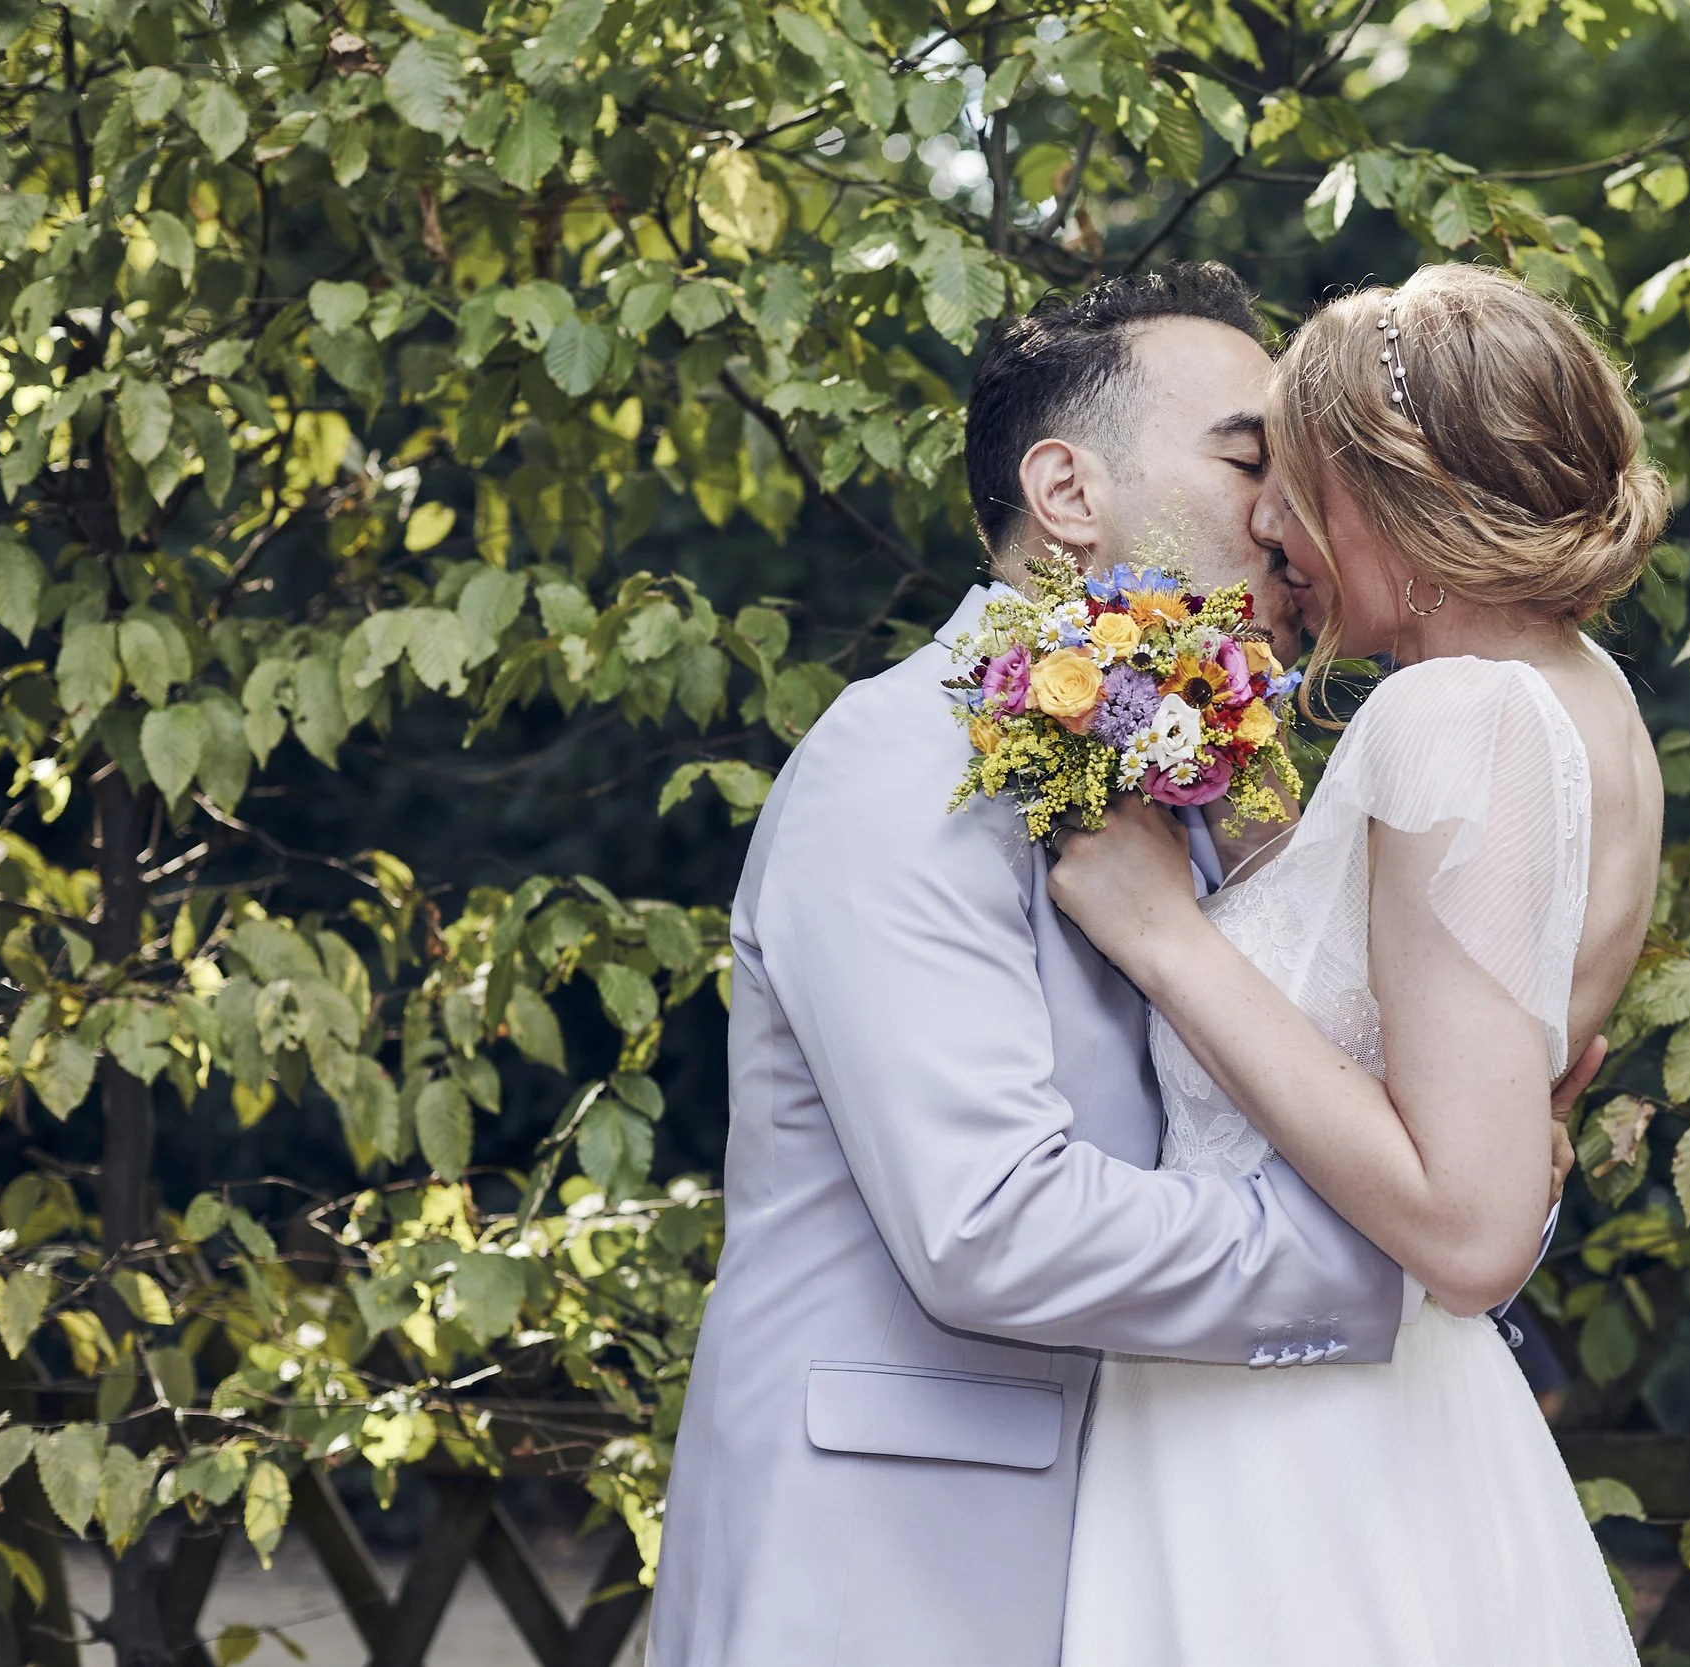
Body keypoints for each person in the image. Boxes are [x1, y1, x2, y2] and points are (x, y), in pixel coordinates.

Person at [647, 262, 1592, 1666]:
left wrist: (1468, 1164)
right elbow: (990, 1223)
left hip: (1161, 1554)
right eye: (1250, 461)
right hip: (895, 1573)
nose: (1284, 516)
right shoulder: (901, 762)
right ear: (1067, 492)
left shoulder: (1201, 791)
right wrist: (1392, 1261)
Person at [1050, 263, 1667, 1665]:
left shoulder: (1455, 717)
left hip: (1299, 1464)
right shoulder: (1589, 700)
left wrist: (1163, 935)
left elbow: (1472, 1231)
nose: (1269, 523)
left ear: (1393, 490)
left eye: (1294, 479)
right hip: (1393, 1424)